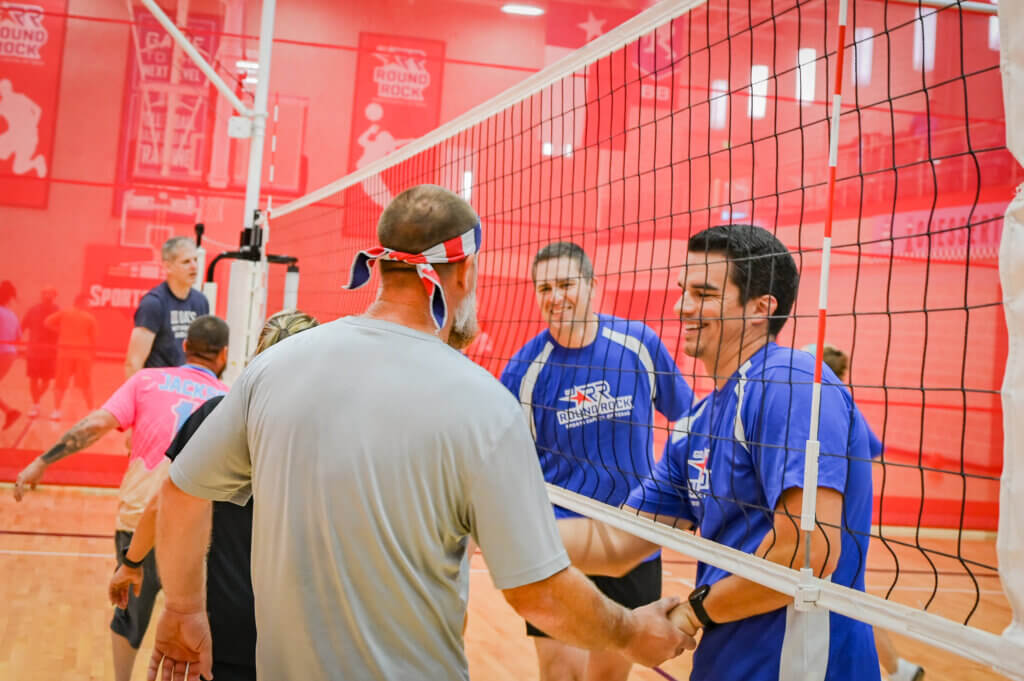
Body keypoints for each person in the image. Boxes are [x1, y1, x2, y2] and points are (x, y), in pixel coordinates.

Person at [146, 185, 694, 681]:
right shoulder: (486, 402)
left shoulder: (273, 367)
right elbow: (536, 592)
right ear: (465, 272)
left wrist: (183, 609)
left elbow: (181, 490)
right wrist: (630, 632)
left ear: (382, 264)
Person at [558, 224, 880, 681]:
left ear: (761, 308)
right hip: (722, 665)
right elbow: (619, 541)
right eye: (683, 290)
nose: (682, 306)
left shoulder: (788, 381)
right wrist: (499, 536)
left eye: (703, 294)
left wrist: (692, 614)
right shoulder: (697, 422)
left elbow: (807, 550)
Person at [500, 241, 694, 681]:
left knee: (608, 676)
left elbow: (689, 420)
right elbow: (508, 465)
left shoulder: (638, 344)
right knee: (560, 675)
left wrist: (684, 496)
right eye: (544, 288)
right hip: (562, 543)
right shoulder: (523, 371)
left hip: (632, 537)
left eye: (566, 284)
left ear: (592, 286)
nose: (555, 296)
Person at [13, 315, 230, 681]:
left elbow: (96, 425)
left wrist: (42, 461)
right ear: (223, 355)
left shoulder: (147, 380)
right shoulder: (227, 398)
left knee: (130, 616)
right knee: (198, 625)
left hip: (136, 521)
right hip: (196, 532)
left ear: (184, 347)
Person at [109, 310, 320, 681]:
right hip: (302, 630)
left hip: (222, 624)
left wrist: (131, 561)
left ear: (258, 356)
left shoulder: (217, 414)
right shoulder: (331, 433)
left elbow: (165, 502)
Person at [804, 343, 925, 681]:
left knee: (845, 597)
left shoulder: (829, 403)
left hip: (835, 520)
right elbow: (873, 447)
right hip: (843, 518)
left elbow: (869, 448)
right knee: (848, 596)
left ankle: (894, 669)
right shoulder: (838, 402)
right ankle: (899, 669)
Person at [124, 236, 208, 377]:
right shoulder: (153, 303)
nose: (194, 266)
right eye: (186, 262)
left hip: (186, 384)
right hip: (158, 385)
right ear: (168, 267)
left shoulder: (201, 301)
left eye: (195, 260)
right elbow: (133, 363)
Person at [45, 293, 98, 420]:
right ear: (81, 302)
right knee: (83, 383)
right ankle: (91, 410)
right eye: (87, 302)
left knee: (62, 383)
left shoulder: (66, 313)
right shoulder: (88, 317)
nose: (89, 305)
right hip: (79, 355)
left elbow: (47, 322)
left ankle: (57, 411)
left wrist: (59, 331)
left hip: (68, 353)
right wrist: (93, 355)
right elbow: (93, 339)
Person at [22, 286, 59, 418]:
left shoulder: (58, 311)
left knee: (46, 381)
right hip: (34, 352)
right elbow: (22, 326)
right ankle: (36, 404)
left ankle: (36, 401)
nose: (47, 296)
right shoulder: (32, 310)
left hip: (50, 352)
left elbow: (62, 330)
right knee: (33, 379)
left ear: (55, 296)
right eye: (45, 293)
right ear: (41, 295)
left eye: (50, 293)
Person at [0, 279, 22, 429]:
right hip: (10, 355)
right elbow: (18, 338)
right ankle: (9, 411)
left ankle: (9, 411)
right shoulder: (12, 315)